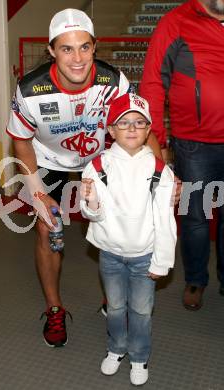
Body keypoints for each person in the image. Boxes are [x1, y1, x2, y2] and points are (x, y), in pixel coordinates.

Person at [6, 8, 163, 348]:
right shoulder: (30, 89)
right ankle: (54, 309)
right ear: (51, 50)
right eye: (66, 48)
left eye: (84, 47)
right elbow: (20, 139)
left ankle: (115, 297)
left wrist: (162, 173)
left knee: (121, 220)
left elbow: (139, 123)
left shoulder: (113, 79)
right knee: (48, 227)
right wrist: (36, 192)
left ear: (95, 47)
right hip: (48, 159)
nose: (77, 58)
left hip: (97, 155)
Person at [80, 93, 176, 386]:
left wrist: (162, 261)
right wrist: (91, 201)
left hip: (145, 255)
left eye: (139, 122)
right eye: (123, 123)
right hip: (109, 254)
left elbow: (165, 220)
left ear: (148, 130)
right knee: (117, 307)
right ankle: (116, 348)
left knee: (141, 310)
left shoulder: (160, 170)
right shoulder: (97, 167)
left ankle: (138, 355)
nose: (132, 128)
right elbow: (92, 214)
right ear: (111, 131)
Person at [139, 0, 224, 311]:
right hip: (194, 144)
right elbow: (152, 83)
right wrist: (156, 142)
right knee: (196, 218)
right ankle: (196, 280)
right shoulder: (176, 22)